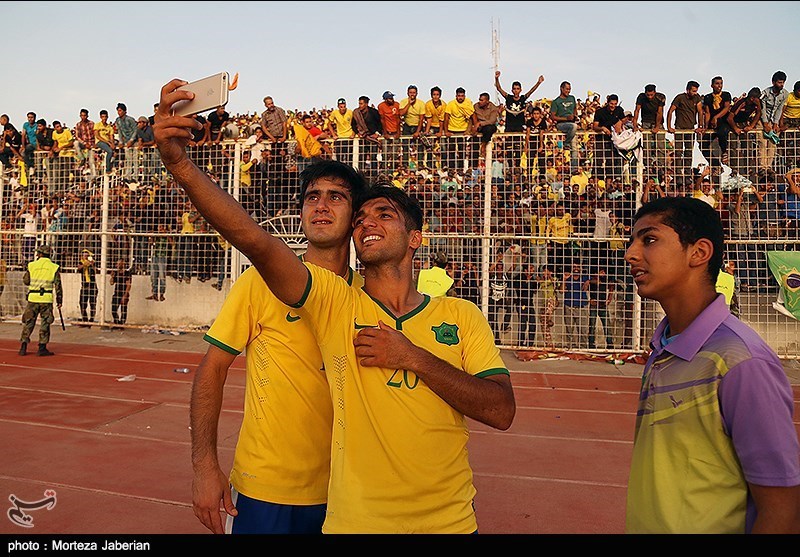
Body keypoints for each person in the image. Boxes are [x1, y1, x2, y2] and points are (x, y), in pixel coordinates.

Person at [154, 78, 516, 534]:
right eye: (312, 197)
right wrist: (180, 164)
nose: (324, 207)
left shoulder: (422, 309)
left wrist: (412, 356)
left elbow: (501, 410)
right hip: (278, 492)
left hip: (376, 502)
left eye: (344, 201)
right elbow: (254, 242)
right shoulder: (320, 296)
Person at [192, 160, 368, 534]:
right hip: (265, 488)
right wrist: (206, 466)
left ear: (355, 217)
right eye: (312, 197)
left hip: (346, 490)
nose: (321, 205)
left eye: (336, 197)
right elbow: (213, 368)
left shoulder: (366, 298)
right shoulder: (259, 281)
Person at [624, 195, 800, 534]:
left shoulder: (740, 362)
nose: (630, 253)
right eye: (632, 241)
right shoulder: (663, 348)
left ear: (699, 253)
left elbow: (784, 511)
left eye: (649, 239)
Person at [19, 244, 62, 357]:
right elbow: (58, 285)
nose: (37, 254)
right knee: (45, 323)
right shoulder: (54, 267)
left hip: (33, 298)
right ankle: (42, 347)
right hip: (46, 299)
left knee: (29, 322)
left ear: (41, 254)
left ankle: (23, 346)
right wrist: (59, 300)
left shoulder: (32, 265)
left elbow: (26, 281)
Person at [667, 80, 703, 185]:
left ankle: (687, 175)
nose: (695, 93)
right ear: (687, 90)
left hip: (690, 129)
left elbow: (700, 111)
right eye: (693, 91)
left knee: (688, 152)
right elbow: (670, 111)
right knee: (678, 152)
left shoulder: (697, 98)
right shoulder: (680, 98)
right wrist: (669, 126)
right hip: (679, 128)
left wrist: (700, 126)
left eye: (696, 91)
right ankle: (678, 175)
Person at [698, 76, 733, 168]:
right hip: (712, 124)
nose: (719, 86)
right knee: (703, 145)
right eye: (717, 83)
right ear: (712, 85)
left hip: (723, 121)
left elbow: (726, 108)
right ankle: (715, 165)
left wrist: (716, 117)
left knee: (722, 133)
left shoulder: (726, 95)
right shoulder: (708, 97)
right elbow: (708, 112)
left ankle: (724, 152)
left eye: (721, 83)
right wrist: (705, 126)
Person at [758, 70, 788, 172]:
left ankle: (768, 167)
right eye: (779, 82)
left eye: (783, 82)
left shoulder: (785, 94)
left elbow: (779, 109)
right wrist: (765, 123)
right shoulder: (765, 93)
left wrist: (775, 123)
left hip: (774, 120)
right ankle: (762, 167)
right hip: (762, 120)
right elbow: (762, 108)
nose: (781, 84)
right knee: (762, 143)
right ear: (773, 82)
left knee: (773, 143)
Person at [550, 81, 579, 169]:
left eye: (569, 89)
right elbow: (553, 117)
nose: (568, 91)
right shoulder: (556, 102)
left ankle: (574, 168)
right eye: (567, 89)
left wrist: (574, 116)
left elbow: (574, 109)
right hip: (561, 124)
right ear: (561, 89)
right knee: (574, 127)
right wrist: (566, 119)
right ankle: (566, 142)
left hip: (571, 123)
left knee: (574, 147)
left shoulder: (572, 98)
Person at [115, 103, 138, 180]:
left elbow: (135, 130)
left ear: (125, 111)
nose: (119, 112)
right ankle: (128, 176)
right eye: (118, 111)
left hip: (134, 141)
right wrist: (121, 142)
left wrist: (131, 140)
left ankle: (135, 176)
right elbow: (120, 131)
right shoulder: (118, 120)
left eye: (120, 111)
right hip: (126, 142)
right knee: (128, 159)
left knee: (135, 160)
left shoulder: (130, 119)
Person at [109, 256, 132, 328]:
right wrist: (112, 277)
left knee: (123, 309)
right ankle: (117, 323)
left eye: (119, 264)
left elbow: (128, 285)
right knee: (113, 309)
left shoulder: (127, 273)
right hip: (116, 293)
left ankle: (121, 324)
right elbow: (111, 283)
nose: (118, 265)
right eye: (117, 264)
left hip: (123, 292)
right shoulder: (116, 273)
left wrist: (125, 294)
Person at [76, 248, 97, 326]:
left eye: (86, 255)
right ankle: (84, 319)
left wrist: (92, 264)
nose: (85, 256)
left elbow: (96, 271)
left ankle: (91, 319)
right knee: (82, 303)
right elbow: (79, 268)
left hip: (92, 285)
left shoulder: (93, 263)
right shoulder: (81, 262)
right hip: (84, 286)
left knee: (92, 303)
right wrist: (84, 264)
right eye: (84, 255)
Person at [93, 110, 115, 174]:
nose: (104, 118)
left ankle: (112, 165)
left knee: (114, 151)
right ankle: (108, 169)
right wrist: (108, 142)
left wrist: (112, 143)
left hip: (107, 142)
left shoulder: (109, 127)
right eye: (103, 117)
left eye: (105, 117)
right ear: (100, 117)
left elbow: (111, 137)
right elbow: (97, 136)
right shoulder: (97, 125)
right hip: (100, 142)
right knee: (110, 151)